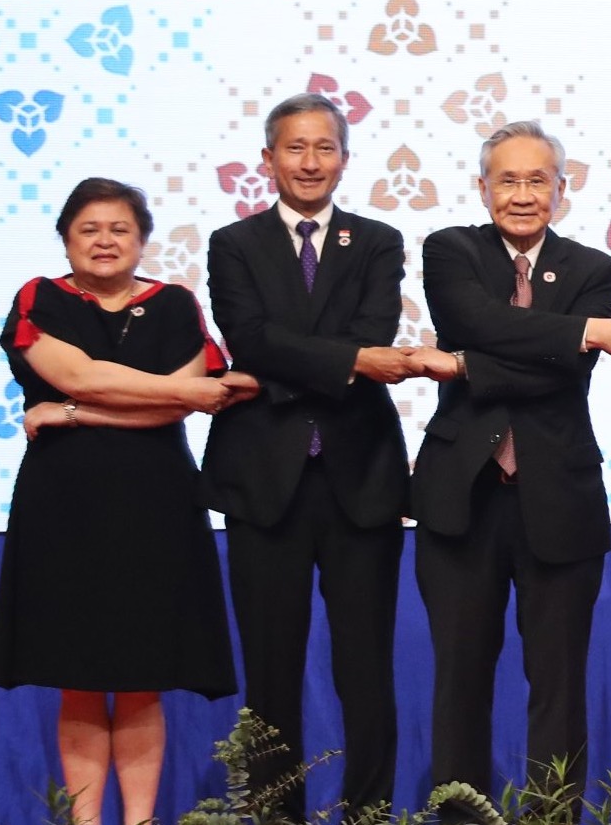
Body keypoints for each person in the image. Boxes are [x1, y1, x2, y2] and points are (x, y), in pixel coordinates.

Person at [407, 120, 611, 797]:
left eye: (536, 179)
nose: (522, 194)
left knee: (558, 682)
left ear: (561, 188)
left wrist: (463, 366)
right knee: (459, 678)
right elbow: (472, 321)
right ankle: (460, 815)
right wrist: (580, 332)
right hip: (461, 497)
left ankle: (552, 817)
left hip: (558, 496)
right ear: (482, 186)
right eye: (508, 179)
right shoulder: (451, 249)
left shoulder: (593, 268)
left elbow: (558, 378)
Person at [0, 179, 248, 825]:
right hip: (64, 506)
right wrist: (157, 396)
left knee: (141, 675)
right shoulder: (39, 296)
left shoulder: (176, 303)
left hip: (155, 503)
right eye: (89, 228)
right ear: (66, 237)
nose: (105, 240)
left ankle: (139, 821)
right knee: (77, 673)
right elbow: (79, 372)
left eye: (120, 229)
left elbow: (191, 396)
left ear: (141, 239)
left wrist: (71, 413)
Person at [201, 92, 416, 818]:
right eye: (295, 147)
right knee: (270, 671)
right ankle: (274, 812)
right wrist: (345, 359)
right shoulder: (233, 246)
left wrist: (300, 362)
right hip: (264, 481)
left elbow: (374, 328)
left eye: (324, 148)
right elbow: (249, 338)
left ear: (345, 161)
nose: (310, 161)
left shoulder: (379, 240)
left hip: (361, 478)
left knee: (365, 668)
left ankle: (369, 811)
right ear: (267, 160)